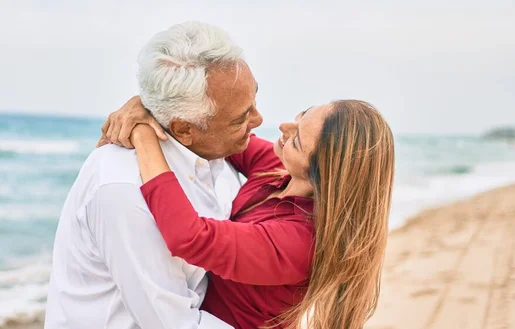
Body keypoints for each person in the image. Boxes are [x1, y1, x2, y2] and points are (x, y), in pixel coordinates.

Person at [101, 98, 395, 328]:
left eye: (297, 139)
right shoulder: (278, 169)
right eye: (301, 116)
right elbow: (222, 137)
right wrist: (148, 105)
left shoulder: (298, 242)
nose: (284, 127)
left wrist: (144, 137)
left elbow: (189, 237)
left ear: (322, 174)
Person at [44, 21, 262, 329]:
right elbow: (174, 323)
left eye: (255, 97)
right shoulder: (123, 189)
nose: (259, 118)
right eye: (241, 117)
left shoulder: (213, 147)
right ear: (183, 129)